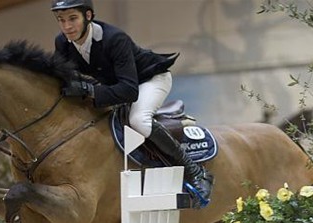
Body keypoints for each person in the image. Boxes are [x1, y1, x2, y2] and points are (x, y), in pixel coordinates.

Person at [51, 0, 213, 208]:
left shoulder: (114, 38)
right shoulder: (62, 42)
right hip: (118, 84)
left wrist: (89, 90)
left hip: (149, 80)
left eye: (72, 18)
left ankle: (196, 172)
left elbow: (129, 90)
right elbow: (60, 77)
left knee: (138, 120)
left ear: (88, 16)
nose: (67, 27)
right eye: (61, 20)